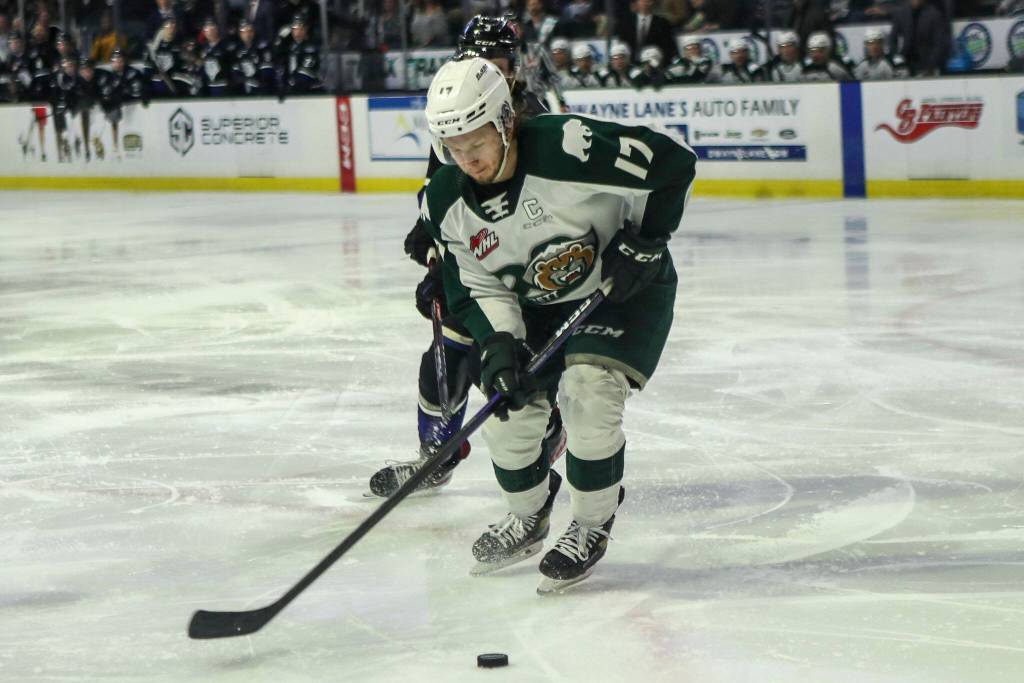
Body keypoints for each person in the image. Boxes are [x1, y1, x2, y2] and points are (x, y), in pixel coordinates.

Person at [421, 56, 695, 591]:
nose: (467, 159)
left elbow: (671, 163)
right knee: (507, 412)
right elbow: (476, 285)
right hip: (534, 309)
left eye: (477, 142)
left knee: (588, 392)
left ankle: (591, 523)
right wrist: (499, 344)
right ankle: (528, 514)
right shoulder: (445, 201)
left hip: (618, 292)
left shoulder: (568, 146)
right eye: (453, 148)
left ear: (505, 121)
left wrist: (644, 243)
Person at [367, 15, 568, 499]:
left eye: (497, 62)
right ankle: (437, 454)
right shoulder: (459, 109)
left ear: (513, 67)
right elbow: (443, 187)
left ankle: (545, 441)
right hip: (472, 258)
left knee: (504, 366)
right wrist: (432, 242)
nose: (488, 71)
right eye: (479, 61)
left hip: (521, 268)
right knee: (445, 356)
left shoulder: (531, 118)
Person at [98, 49, 147, 159]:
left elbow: (138, 92)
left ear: (124, 61)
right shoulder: (108, 77)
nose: (118, 64)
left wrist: (122, 94)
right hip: (120, 114)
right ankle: (115, 147)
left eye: (120, 61)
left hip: (135, 112)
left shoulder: (133, 73)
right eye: (115, 61)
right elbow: (104, 95)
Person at [231, 19, 275, 95]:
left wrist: (256, 82)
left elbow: (267, 73)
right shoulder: (237, 50)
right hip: (243, 92)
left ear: (253, 32)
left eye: (249, 31)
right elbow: (235, 74)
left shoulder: (262, 48)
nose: (247, 34)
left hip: (261, 91)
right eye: (244, 32)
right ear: (240, 34)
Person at [283, 15, 322, 95]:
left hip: (311, 91)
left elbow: (305, 75)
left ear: (305, 29)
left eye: (300, 28)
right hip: (294, 89)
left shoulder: (311, 47)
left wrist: (291, 83)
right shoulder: (291, 46)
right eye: (295, 29)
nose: (298, 32)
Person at [199, 18, 232, 96]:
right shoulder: (203, 48)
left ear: (216, 29)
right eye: (207, 30)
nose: (209, 33)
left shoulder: (225, 46)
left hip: (222, 85)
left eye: (212, 29)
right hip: (208, 87)